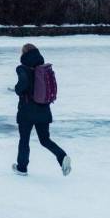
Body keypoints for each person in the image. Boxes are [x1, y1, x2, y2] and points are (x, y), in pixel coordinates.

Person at [13, 44, 72, 177]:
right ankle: (62, 157)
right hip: (43, 110)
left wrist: (17, 89)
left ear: (23, 53)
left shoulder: (22, 68)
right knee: (45, 139)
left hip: (26, 111)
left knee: (24, 140)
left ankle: (22, 168)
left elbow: (23, 84)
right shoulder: (43, 68)